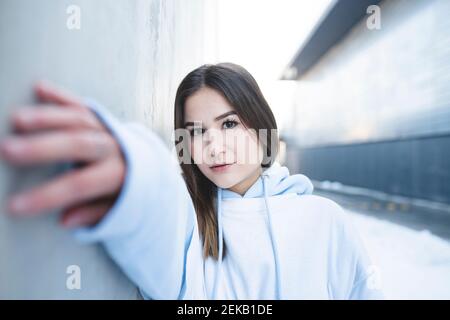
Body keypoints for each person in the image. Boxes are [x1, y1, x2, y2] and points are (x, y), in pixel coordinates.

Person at [0, 63, 383, 299]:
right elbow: (156, 212)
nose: (214, 145)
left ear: (262, 124)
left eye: (229, 123)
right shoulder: (191, 223)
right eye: (196, 132)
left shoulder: (324, 219)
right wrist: (135, 177)